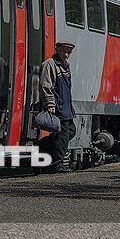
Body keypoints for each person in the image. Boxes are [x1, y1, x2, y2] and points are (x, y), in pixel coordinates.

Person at [39, 41, 77, 173]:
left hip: (66, 107)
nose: (66, 55)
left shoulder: (65, 65)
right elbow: (45, 85)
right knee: (63, 136)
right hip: (58, 106)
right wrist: (50, 103)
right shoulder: (50, 64)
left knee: (71, 131)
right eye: (64, 51)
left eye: (69, 53)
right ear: (57, 49)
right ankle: (56, 164)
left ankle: (42, 147)